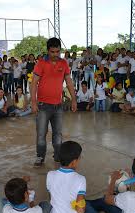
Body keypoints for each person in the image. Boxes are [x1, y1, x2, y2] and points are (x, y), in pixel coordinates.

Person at [31, 37, 77, 167]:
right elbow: (34, 83)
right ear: (48, 51)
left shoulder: (63, 63)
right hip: (42, 106)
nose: (55, 55)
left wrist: (74, 99)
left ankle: (58, 155)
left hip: (58, 106)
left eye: (58, 52)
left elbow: (69, 82)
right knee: (41, 134)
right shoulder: (41, 63)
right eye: (52, 52)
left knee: (58, 134)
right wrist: (33, 102)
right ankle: (40, 156)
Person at [47, 141, 87, 213]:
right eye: (79, 158)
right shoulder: (80, 179)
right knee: (84, 210)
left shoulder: (50, 175)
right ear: (74, 162)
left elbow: (51, 198)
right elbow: (80, 210)